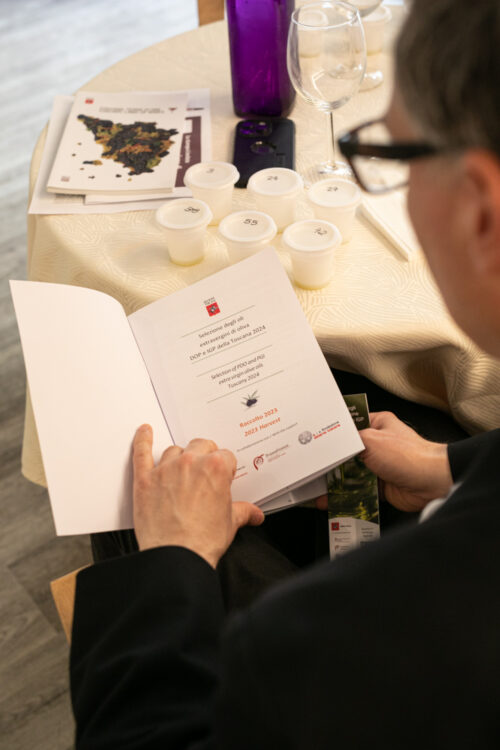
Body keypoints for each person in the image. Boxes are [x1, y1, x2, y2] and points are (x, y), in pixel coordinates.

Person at [70, 0, 500, 747]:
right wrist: (449, 466)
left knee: (131, 495)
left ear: (481, 209)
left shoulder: (323, 647)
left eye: (391, 157)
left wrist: (172, 557)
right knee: (368, 400)